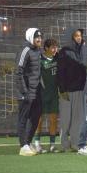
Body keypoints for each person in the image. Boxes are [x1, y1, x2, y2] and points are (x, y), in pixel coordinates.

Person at [57, 27, 87, 151]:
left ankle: (75, 143)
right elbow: (60, 72)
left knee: (78, 119)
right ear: (70, 37)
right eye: (76, 35)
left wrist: (84, 49)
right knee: (65, 120)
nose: (79, 38)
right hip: (67, 91)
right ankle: (64, 144)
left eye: (80, 35)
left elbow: (85, 64)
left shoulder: (83, 50)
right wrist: (62, 89)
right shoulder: (64, 52)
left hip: (80, 89)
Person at [16, 28, 43, 156]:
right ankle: (23, 146)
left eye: (40, 37)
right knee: (23, 119)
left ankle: (28, 142)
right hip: (26, 92)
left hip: (36, 91)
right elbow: (18, 72)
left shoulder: (37, 51)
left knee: (36, 116)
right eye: (37, 37)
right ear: (30, 37)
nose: (39, 39)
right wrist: (24, 92)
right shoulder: (25, 50)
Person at [34, 38, 60, 154]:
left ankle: (52, 145)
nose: (55, 49)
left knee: (53, 120)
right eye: (53, 47)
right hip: (42, 94)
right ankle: (37, 144)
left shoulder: (58, 58)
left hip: (54, 94)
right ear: (46, 48)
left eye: (56, 47)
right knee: (39, 120)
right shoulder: (40, 60)